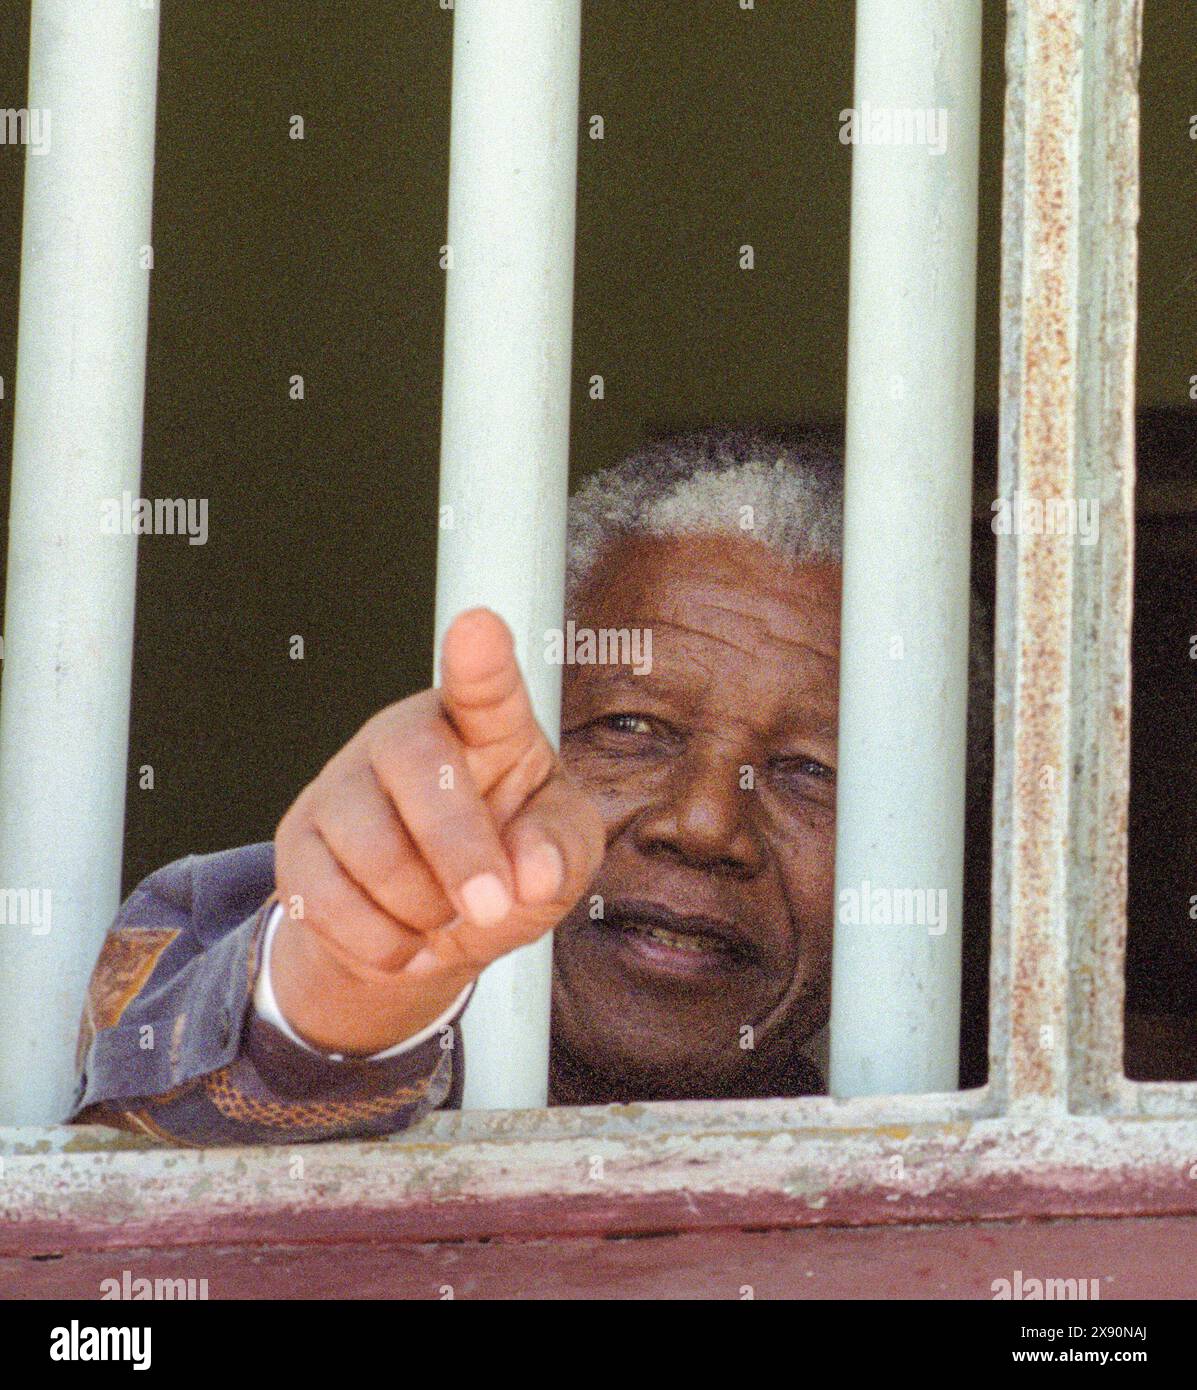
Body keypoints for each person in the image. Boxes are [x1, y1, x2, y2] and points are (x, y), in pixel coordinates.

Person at [71, 424, 992, 1145]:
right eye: (629, 727)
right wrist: (344, 1001)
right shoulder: (255, 947)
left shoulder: (931, 1202)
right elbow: (161, 1127)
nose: (706, 824)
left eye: (809, 772)